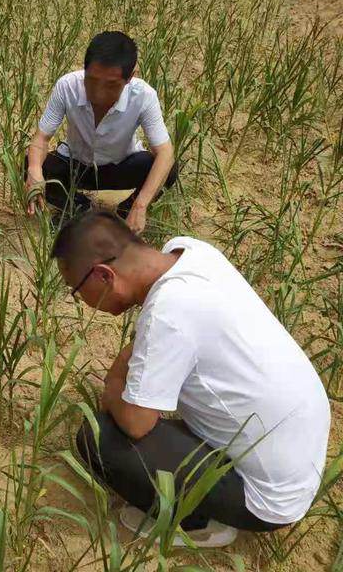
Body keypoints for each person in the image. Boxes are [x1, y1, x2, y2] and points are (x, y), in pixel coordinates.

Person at [52, 210, 331, 547]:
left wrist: (113, 387)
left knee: (98, 437)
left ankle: (198, 522)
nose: (81, 301)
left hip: (265, 498)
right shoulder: (190, 253)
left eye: (76, 291)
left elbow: (136, 423)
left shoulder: (168, 313)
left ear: (103, 275)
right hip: (299, 460)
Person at [25, 31, 178, 233]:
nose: (99, 93)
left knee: (167, 168)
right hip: (77, 166)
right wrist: (35, 170)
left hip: (120, 167)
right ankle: (78, 209)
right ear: (84, 69)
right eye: (92, 80)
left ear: (130, 77)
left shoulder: (144, 96)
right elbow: (41, 139)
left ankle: (127, 212)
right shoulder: (67, 86)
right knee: (29, 163)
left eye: (111, 85)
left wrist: (140, 205)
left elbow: (165, 153)